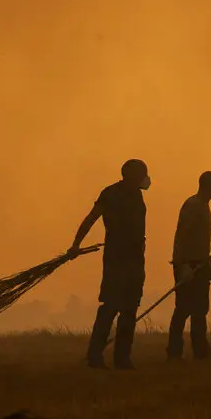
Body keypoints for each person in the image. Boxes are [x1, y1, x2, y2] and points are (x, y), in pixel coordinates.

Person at [71, 158, 151, 369]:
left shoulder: (133, 194)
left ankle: (120, 358)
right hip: (118, 260)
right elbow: (91, 218)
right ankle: (97, 356)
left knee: (128, 309)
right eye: (143, 174)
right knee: (112, 308)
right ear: (133, 176)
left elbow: (91, 218)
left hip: (133, 259)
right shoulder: (112, 194)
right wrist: (76, 244)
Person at [167, 170, 211, 361]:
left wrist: (209, 264)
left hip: (200, 263)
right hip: (188, 264)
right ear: (207, 186)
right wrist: (183, 266)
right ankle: (174, 353)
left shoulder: (204, 206)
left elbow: (202, 242)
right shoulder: (193, 205)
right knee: (183, 309)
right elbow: (182, 236)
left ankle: (200, 352)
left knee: (200, 310)